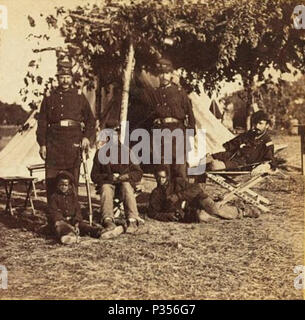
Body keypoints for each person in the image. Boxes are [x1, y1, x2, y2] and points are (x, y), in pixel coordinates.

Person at [36, 56, 96, 202]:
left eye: (67, 77)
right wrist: (42, 144)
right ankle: (53, 213)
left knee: (73, 177)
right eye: (62, 77)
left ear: (71, 78)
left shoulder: (79, 96)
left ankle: (73, 212)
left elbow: (90, 120)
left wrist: (86, 137)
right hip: (54, 142)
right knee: (52, 178)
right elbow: (42, 122)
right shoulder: (49, 97)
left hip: (73, 142)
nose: (65, 80)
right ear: (58, 78)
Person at [139, 57, 196, 182]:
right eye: (160, 73)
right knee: (162, 171)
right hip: (160, 135)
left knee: (179, 170)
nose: (163, 76)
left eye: (166, 73)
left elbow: (190, 115)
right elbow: (148, 116)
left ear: (171, 74)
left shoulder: (180, 92)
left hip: (178, 134)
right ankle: (164, 199)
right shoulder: (154, 94)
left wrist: (190, 135)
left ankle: (180, 199)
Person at [91, 123, 145, 238]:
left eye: (115, 134)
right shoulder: (100, 153)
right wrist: (110, 177)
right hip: (108, 184)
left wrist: (125, 177)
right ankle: (108, 220)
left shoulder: (128, 152)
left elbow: (138, 173)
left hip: (123, 185)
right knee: (105, 187)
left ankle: (132, 220)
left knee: (126, 185)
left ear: (119, 135)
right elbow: (94, 176)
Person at [148, 166, 239, 223]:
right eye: (158, 177)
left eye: (163, 177)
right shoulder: (156, 193)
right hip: (186, 212)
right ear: (155, 177)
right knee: (201, 217)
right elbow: (153, 213)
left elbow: (197, 188)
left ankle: (241, 211)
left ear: (167, 177)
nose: (161, 180)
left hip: (197, 200)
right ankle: (219, 219)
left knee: (214, 209)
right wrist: (168, 216)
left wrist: (178, 196)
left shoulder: (177, 182)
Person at [208, 110, 275, 175]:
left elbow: (270, 161)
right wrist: (214, 153)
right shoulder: (249, 134)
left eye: (260, 123)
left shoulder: (267, 143)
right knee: (204, 159)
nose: (257, 126)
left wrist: (263, 167)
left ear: (267, 125)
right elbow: (230, 145)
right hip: (231, 155)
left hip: (242, 164)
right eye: (255, 123)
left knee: (213, 165)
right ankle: (199, 182)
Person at [48, 171, 101, 245]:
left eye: (65, 185)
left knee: (83, 226)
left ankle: (96, 232)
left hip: (73, 220)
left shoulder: (73, 197)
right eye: (61, 185)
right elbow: (54, 212)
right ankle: (69, 236)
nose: (63, 187)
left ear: (69, 186)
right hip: (61, 221)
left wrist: (76, 221)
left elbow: (78, 210)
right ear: (57, 185)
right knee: (61, 227)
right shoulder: (54, 197)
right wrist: (63, 221)